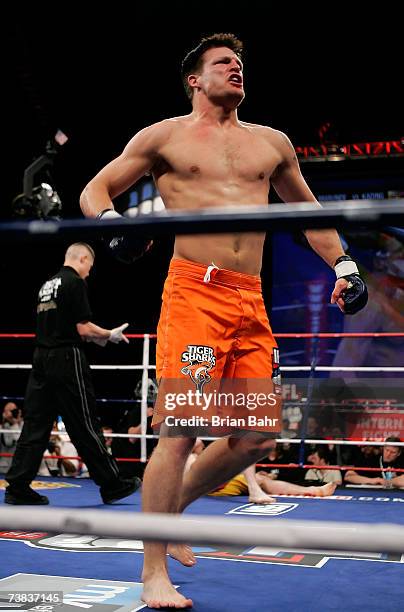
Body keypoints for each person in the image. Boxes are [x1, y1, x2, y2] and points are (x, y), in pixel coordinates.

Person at [80, 33, 368, 609]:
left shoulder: (272, 143)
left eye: (240, 64)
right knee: (181, 428)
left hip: (250, 301)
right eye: (223, 63)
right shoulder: (165, 136)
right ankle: (153, 568)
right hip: (196, 294)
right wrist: (115, 226)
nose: (236, 69)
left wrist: (344, 263)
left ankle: (175, 508)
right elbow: (95, 189)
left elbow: (310, 211)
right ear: (195, 79)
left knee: (256, 435)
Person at [4, 242, 141, 505]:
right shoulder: (74, 282)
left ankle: (18, 486)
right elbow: (82, 329)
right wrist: (109, 335)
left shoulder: (47, 285)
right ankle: (112, 484)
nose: (89, 271)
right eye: (90, 265)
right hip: (66, 358)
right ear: (82, 258)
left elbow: (61, 325)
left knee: (36, 424)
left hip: (41, 359)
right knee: (84, 421)